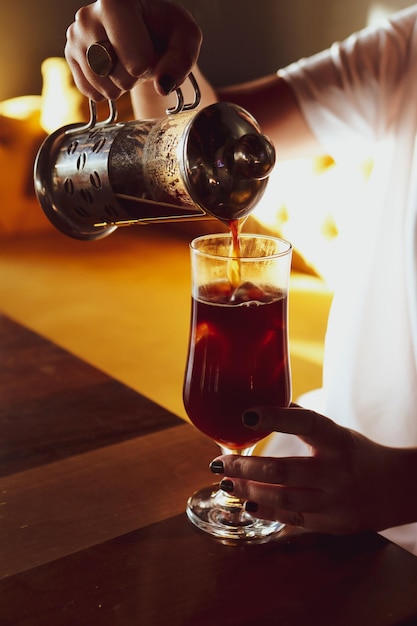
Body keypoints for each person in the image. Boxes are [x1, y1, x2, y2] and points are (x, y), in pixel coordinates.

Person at [65, 1, 417, 554]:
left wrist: (402, 485)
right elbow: (200, 149)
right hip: (311, 488)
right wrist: (149, 49)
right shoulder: (407, 45)